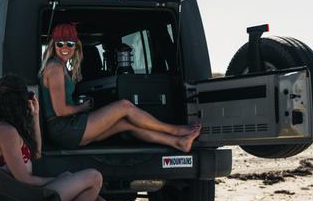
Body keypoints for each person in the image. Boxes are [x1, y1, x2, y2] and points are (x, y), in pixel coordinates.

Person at [0, 75, 173, 201]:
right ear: (19, 101)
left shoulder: (9, 128)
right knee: (93, 177)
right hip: (25, 198)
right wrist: (59, 179)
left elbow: (37, 153)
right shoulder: (6, 132)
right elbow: (24, 178)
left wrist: (35, 115)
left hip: (28, 194)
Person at [39, 23, 202, 151]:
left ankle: (178, 142)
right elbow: (60, 111)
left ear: (76, 46)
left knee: (126, 123)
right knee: (125, 106)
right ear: (54, 45)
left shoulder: (62, 67)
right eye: (60, 44)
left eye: (70, 43)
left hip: (68, 127)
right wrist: (82, 107)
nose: (65, 48)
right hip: (64, 130)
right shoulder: (54, 68)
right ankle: (176, 131)